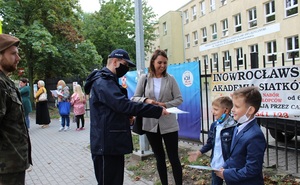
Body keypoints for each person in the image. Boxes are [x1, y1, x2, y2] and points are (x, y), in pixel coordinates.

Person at [84, 48, 169, 185]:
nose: (127, 68)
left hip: (112, 144)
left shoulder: (109, 81)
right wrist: (156, 110)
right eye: (125, 64)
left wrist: (126, 118)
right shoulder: (103, 82)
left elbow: (112, 110)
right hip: (106, 146)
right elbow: (123, 105)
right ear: (115, 61)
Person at [131, 49, 183, 185]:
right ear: (153, 62)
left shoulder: (170, 79)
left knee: (174, 158)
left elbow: (179, 99)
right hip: (150, 124)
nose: (163, 65)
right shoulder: (145, 78)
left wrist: (164, 104)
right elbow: (135, 98)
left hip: (169, 124)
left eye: (165, 63)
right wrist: (147, 100)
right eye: (160, 62)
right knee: (159, 157)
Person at [215, 86, 266, 185]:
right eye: (233, 106)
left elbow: (252, 169)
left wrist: (227, 174)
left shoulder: (255, 136)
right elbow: (234, 156)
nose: (232, 110)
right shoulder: (238, 126)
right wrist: (224, 166)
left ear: (250, 110)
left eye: (237, 107)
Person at [0, 33, 32, 184]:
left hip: (13, 163)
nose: (18, 58)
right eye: (13, 54)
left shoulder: (7, 83)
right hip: (5, 168)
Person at [188, 96, 236, 185]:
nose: (213, 112)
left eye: (216, 109)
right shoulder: (214, 125)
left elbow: (235, 149)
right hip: (215, 164)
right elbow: (210, 143)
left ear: (226, 111)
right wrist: (199, 152)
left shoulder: (233, 127)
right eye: (212, 109)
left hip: (228, 167)